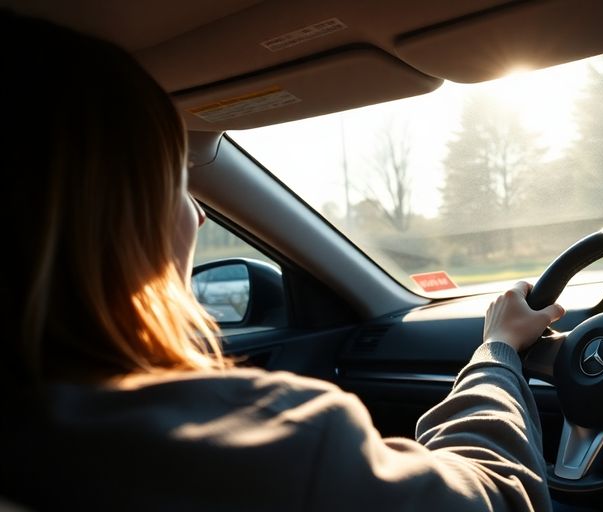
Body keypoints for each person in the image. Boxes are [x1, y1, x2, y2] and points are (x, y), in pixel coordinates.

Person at [0, 10, 565, 511]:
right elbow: (498, 495)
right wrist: (496, 352)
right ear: (114, 219)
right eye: (176, 182)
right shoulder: (261, 448)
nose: (199, 214)